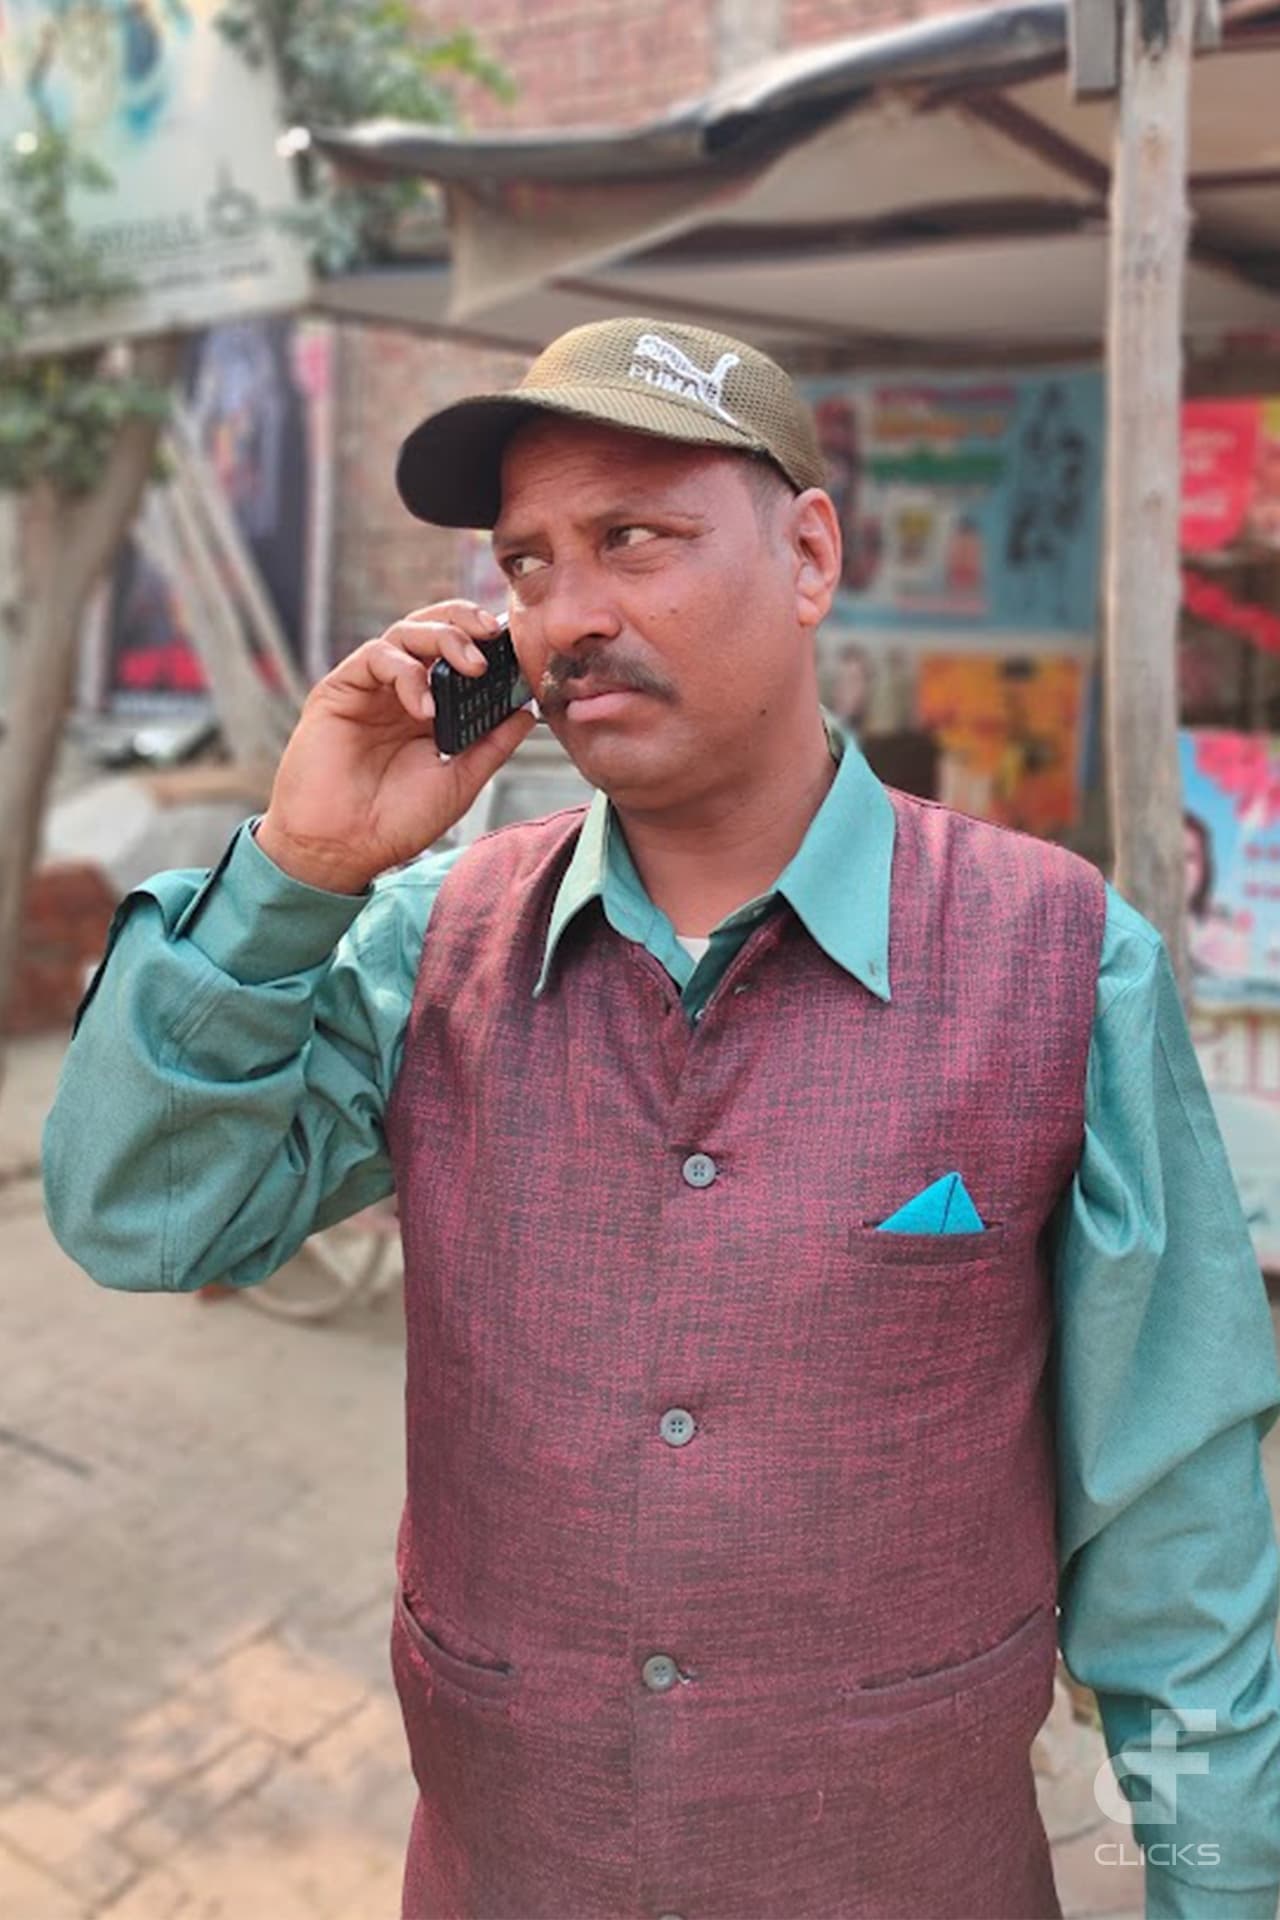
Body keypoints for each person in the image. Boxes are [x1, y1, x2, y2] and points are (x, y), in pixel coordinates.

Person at [44, 318, 1280, 1920]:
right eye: (528, 563)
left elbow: (1180, 1551)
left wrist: (1217, 1887)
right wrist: (295, 871)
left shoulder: (1060, 960)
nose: (569, 614)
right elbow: (142, 1216)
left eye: (634, 537)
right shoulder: (430, 943)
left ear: (810, 555)